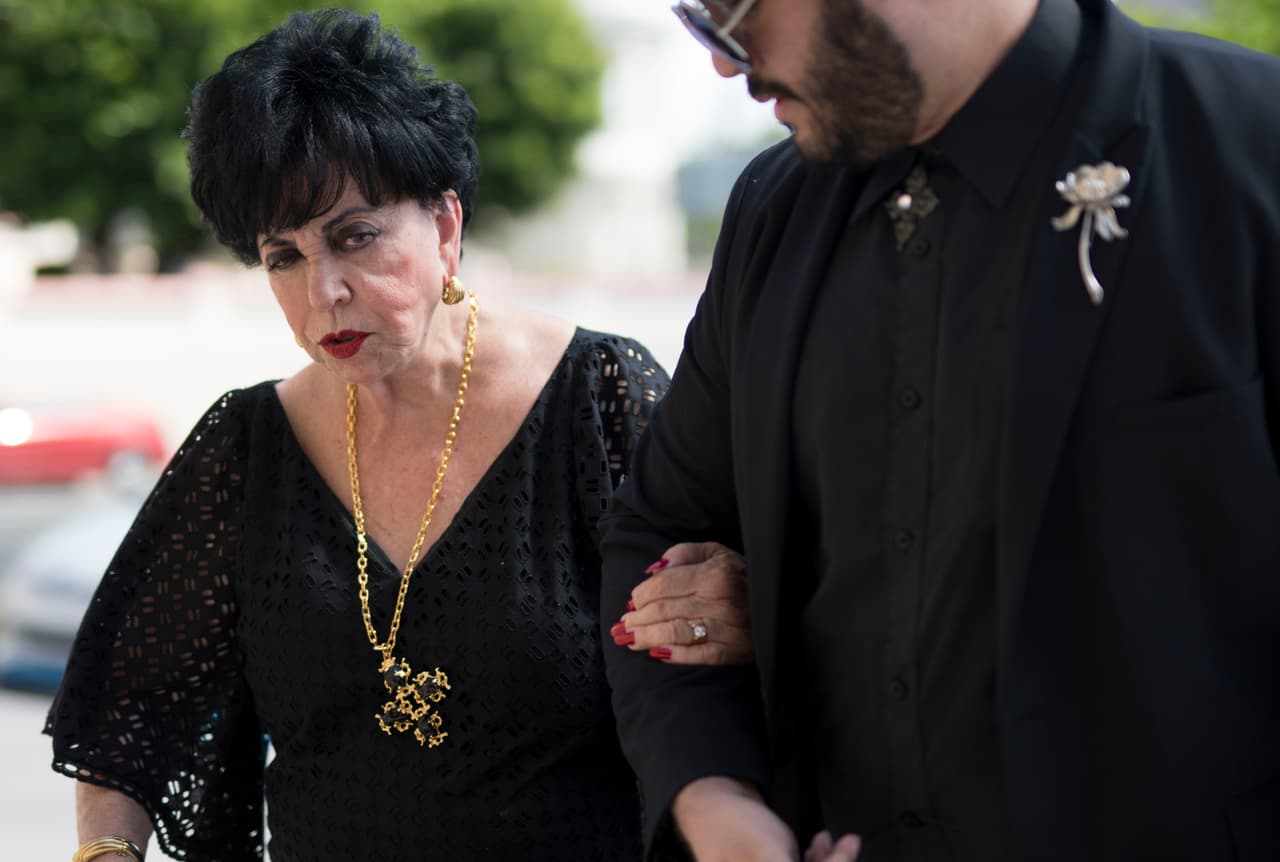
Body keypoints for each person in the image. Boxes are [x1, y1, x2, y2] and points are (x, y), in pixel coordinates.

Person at [43, 10, 750, 862]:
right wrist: (107, 852)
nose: (325, 291)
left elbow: (727, 641)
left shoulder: (598, 398)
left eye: (356, 237)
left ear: (446, 226)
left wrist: (739, 611)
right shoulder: (247, 443)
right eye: (283, 256)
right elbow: (131, 700)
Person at [600, 0, 1280, 860]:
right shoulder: (777, 207)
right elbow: (661, 528)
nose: (724, 61)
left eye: (731, 9)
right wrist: (718, 802)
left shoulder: (1251, 143)